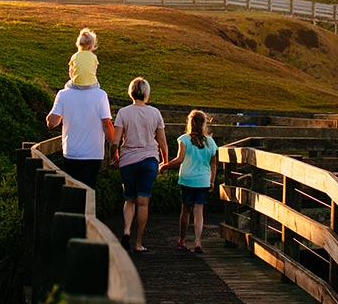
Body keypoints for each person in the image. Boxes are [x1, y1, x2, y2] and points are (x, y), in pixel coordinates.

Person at [113, 77, 167, 253]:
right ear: (146, 93)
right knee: (143, 202)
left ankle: (126, 230)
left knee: (129, 199)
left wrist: (113, 156)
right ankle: (138, 243)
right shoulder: (155, 113)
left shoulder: (123, 112)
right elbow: (162, 141)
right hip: (149, 159)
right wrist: (165, 162)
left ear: (131, 92)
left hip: (128, 160)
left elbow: (115, 141)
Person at [163, 109, 219, 253]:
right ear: (204, 124)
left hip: (187, 179)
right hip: (203, 180)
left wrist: (165, 165)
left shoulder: (184, 139)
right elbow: (213, 163)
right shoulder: (210, 142)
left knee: (186, 211)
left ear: (189, 122)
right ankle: (198, 242)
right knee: (199, 212)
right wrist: (212, 180)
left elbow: (180, 159)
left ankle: (182, 240)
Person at [46, 80, 113, 190]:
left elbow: (52, 123)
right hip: (94, 153)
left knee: (72, 188)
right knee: (88, 189)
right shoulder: (101, 95)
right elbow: (106, 123)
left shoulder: (63, 94)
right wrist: (114, 147)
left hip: (71, 152)